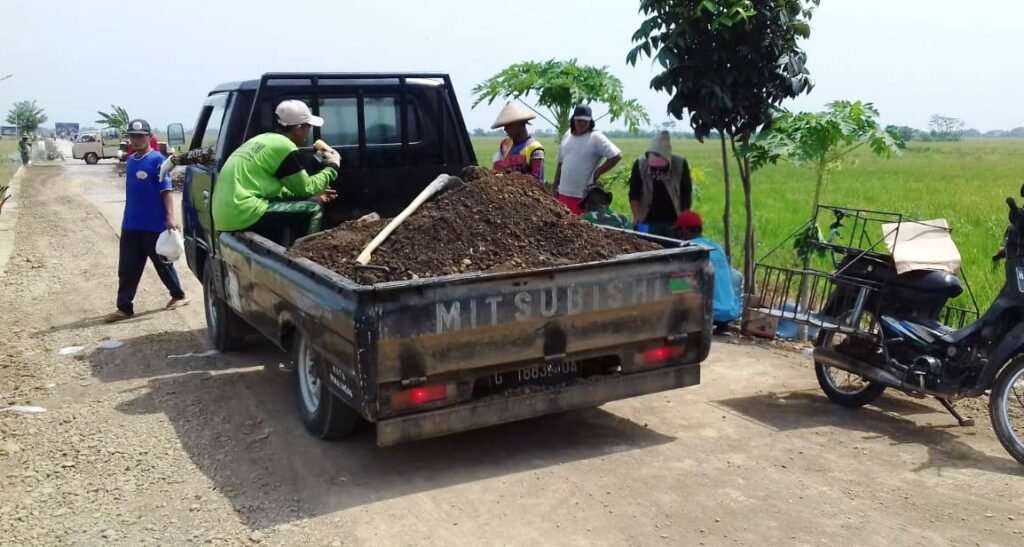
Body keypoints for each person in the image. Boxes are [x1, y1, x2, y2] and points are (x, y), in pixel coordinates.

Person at [211, 100, 340, 243]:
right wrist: (333, 167)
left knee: (308, 202)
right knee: (314, 208)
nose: (308, 132)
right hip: (243, 211)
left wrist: (315, 193)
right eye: (308, 127)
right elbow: (306, 188)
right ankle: (306, 256)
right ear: (298, 129)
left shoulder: (261, 140)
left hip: (226, 214)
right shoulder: (285, 147)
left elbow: (283, 189)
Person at [105, 119, 188, 322]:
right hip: (131, 224)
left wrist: (170, 217)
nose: (136, 140)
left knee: (162, 264)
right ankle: (124, 307)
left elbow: (166, 190)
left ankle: (178, 295)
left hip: (154, 225)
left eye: (140, 136)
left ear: (149, 137)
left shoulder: (158, 161)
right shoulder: (132, 160)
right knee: (127, 267)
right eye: (133, 136)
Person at [674, 211, 742, 334]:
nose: (677, 234)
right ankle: (723, 325)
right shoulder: (717, 247)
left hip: (708, 311)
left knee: (674, 281)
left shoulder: (689, 247)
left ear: (684, 230)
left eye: (677, 230)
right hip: (732, 310)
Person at [552, 105, 622, 215]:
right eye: (579, 120)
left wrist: (598, 172)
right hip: (563, 193)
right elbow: (561, 163)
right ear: (573, 120)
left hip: (583, 198)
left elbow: (616, 155)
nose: (582, 124)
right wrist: (554, 187)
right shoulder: (567, 135)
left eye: (586, 121)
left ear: (590, 122)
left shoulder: (596, 137)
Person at [629, 130, 692, 237]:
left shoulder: (680, 164)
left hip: (673, 220)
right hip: (647, 218)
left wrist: (684, 219)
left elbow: (686, 193)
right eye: (654, 166)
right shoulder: (640, 164)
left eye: (660, 166)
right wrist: (637, 215)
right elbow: (634, 192)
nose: (657, 169)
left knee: (673, 250)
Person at [490, 102, 545, 181]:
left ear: (520, 124)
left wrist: (509, 178)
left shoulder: (535, 149)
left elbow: (537, 180)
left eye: (508, 125)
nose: (505, 129)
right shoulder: (505, 145)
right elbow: (496, 169)